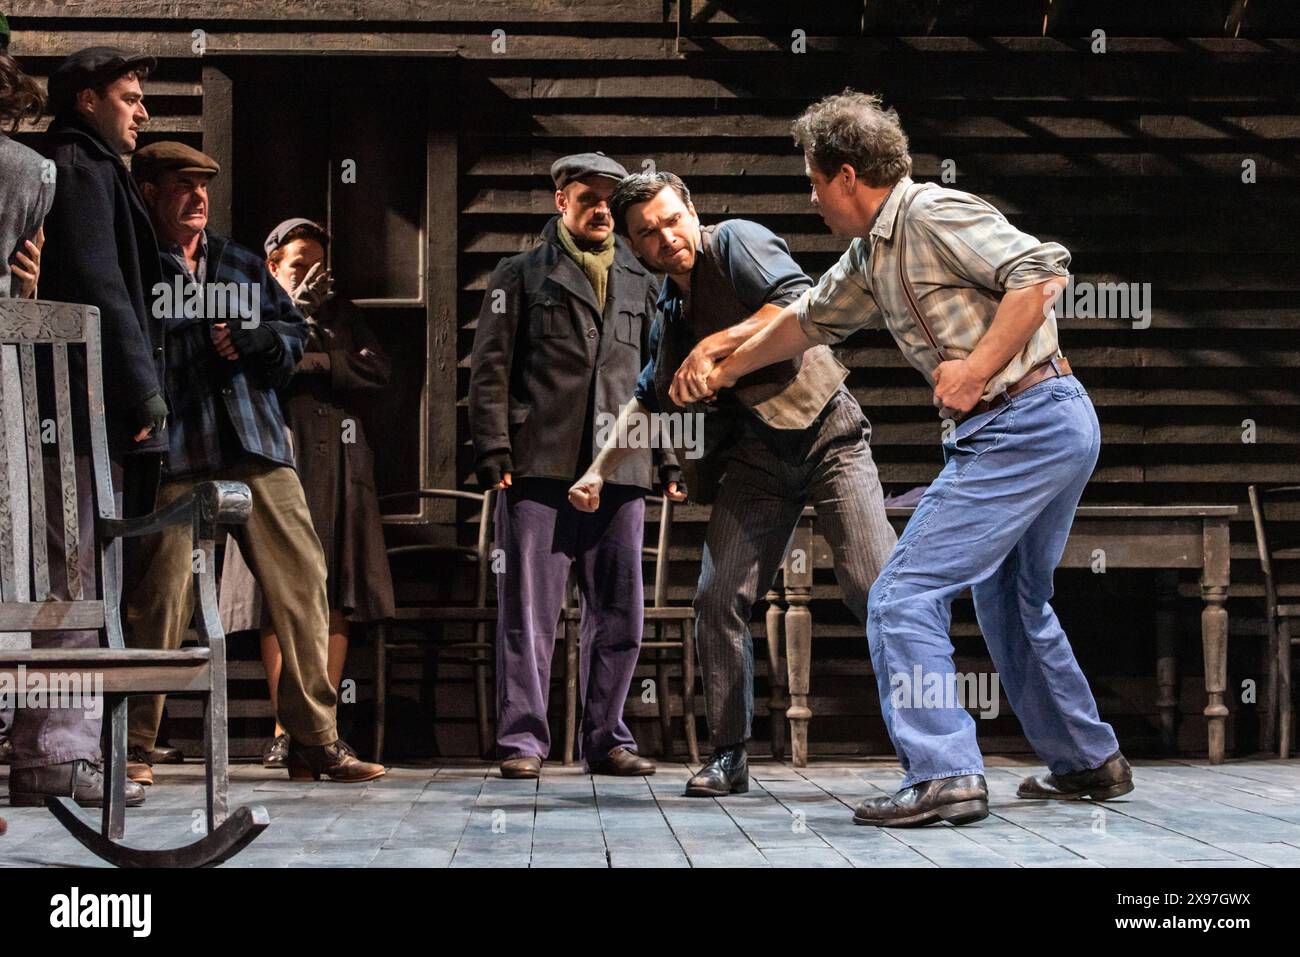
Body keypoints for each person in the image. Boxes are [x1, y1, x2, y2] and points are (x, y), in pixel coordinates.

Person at [707, 90, 1131, 826]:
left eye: (813, 181)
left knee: (901, 593)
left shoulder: (931, 212)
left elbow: (1040, 274)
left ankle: (945, 773)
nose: (812, 199)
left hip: (1024, 421)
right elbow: (806, 322)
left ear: (845, 175)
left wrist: (973, 369)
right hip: (1046, 424)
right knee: (1012, 600)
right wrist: (723, 364)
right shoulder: (872, 254)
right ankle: (1089, 759)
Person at [569, 171, 897, 796]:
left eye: (671, 220)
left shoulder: (735, 240)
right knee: (717, 602)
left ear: (689, 208)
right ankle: (728, 754)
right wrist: (594, 473)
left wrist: (715, 347)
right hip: (757, 460)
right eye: (648, 234)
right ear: (636, 250)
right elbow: (646, 400)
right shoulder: (669, 308)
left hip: (828, 435)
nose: (666, 238)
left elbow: (800, 301)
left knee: (873, 588)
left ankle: (928, 753)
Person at [125, 140, 384, 783]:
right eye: (182, 186)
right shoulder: (134, 266)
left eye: (203, 186)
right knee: (159, 595)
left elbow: (291, 337)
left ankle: (313, 741)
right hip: (176, 449)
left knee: (302, 582)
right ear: (149, 192)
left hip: (256, 443)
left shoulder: (240, 263)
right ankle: (132, 744)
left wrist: (260, 338)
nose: (197, 198)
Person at [469, 152, 678, 779]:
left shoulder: (643, 279)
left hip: (623, 468)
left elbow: (658, 376)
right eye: (587, 197)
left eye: (609, 201)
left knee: (619, 612)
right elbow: (490, 372)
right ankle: (523, 742)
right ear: (560, 200)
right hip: (538, 465)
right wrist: (494, 450)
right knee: (529, 613)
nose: (600, 210)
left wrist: (666, 457)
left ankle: (607, 737)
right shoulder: (520, 274)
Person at [7, 46, 165, 809]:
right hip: (66, 413)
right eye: (130, 98)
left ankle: (60, 750)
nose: (143, 111)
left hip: (69, 410)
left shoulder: (84, 167)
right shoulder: (74, 167)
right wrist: (143, 396)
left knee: (74, 575)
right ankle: (56, 755)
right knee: (70, 576)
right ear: (87, 101)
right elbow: (102, 290)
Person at [219, 217, 395, 769]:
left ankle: (323, 728)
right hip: (281, 453)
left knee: (335, 589)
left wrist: (322, 357)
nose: (314, 274)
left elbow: (378, 371)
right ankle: (284, 727)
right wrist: (295, 318)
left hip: (340, 460)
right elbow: (258, 368)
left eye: (321, 265)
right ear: (272, 266)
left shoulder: (343, 316)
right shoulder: (255, 310)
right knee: (279, 591)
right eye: (300, 264)